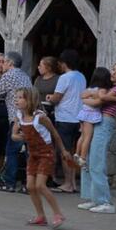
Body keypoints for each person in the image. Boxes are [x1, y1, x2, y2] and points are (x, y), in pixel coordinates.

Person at [14, 86, 72, 228]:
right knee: (30, 186)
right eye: (17, 97)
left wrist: (63, 151)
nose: (17, 100)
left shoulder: (40, 117)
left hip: (46, 153)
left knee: (40, 185)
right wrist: (19, 137)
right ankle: (41, 215)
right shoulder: (19, 115)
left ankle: (58, 213)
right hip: (33, 154)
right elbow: (13, 134)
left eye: (20, 97)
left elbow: (55, 133)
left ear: (30, 100)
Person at [78, 61, 116, 215]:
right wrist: (95, 95)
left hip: (105, 122)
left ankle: (105, 201)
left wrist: (93, 94)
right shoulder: (108, 87)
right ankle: (91, 197)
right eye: (113, 70)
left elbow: (101, 99)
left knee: (97, 161)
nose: (113, 73)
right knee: (88, 160)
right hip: (97, 121)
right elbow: (88, 96)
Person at [0, 51, 34, 193]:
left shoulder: (9, 76)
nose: (2, 65)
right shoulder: (25, 76)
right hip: (29, 118)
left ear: (10, 63)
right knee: (28, 152)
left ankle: (10, 183)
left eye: (4, 62)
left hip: (16, 117)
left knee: (12, 151)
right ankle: (27, 184)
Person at [49, 49, 85, 193]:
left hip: (64, 117)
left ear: (64, 63)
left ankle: (68, 183)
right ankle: (74, 183)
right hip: (78, 117)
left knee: (64, 151)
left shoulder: (64, 78)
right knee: (73, 151)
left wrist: (49, 98)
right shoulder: (81, 76)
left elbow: (57, 98)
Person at [74, 69, 108, 170]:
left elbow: (82, 96)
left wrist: (86, 100)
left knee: (82, 136)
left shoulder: (89, 88)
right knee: (88, 137)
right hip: (90, 115)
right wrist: (94, 99)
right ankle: (83, 158)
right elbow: (98, 102)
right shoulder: (102, 90)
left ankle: (77, 153)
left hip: (83, 114)